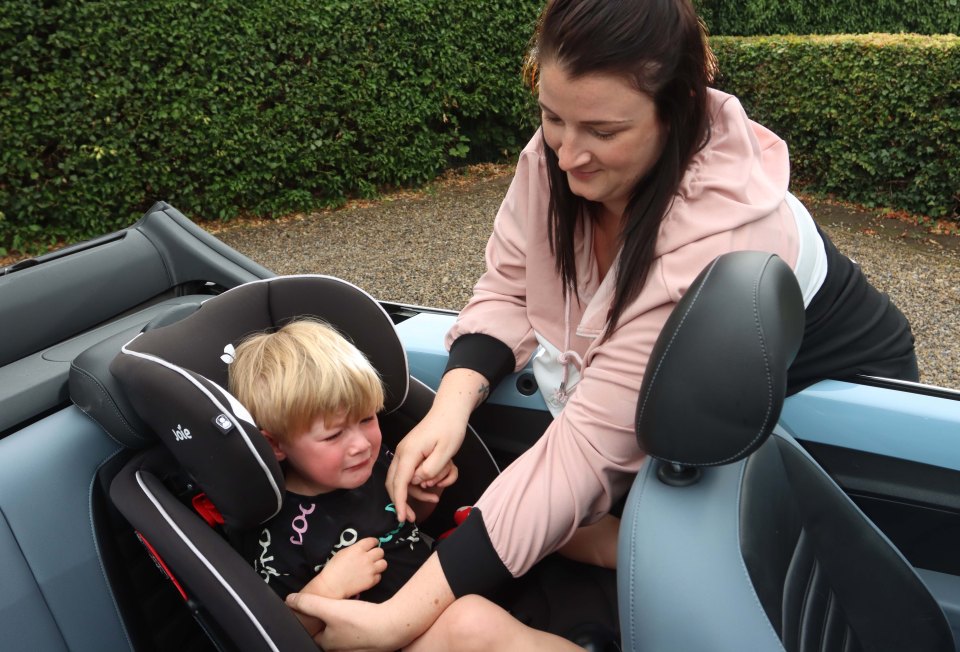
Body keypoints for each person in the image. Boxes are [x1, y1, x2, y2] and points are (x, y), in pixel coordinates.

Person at [283, 0, 919, 648]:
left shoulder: (718, 237)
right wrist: (449, 408)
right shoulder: (559, 154)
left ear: (679, 109)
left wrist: (394, 621)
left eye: (603, 131)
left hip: (822, 390)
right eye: (551, 117)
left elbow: (586, 452)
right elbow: (509, 285)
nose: (566, 156)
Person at [229, 319, 585, 650]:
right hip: (379, 641)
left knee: (544, 507)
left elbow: (407, 524)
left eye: (367, 418)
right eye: (334, 435)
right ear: (276, 445)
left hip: (425, 600)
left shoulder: (370, 464)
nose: (360, 444)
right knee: (472, 622)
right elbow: (274, 636)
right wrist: (325, 590)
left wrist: (424, 497)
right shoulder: (279, 536)